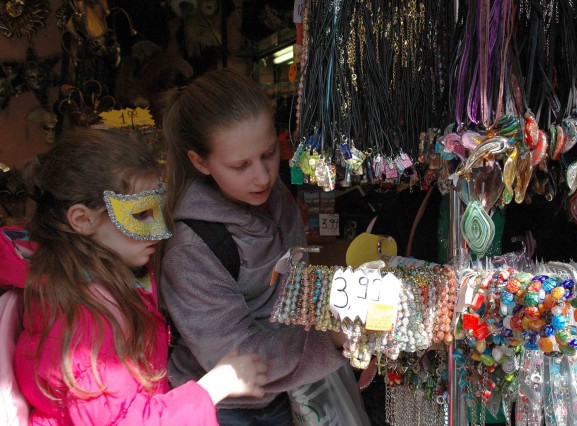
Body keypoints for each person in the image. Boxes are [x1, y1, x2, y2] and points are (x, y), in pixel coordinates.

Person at [11, 129, 268, 425]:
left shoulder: (104, 281)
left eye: (159, 211)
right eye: (141, 214)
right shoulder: (84, 321)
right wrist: (214, 387)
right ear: (82, 220)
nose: (160, 230)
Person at [161, 69, 350, 425]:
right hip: (224, 409)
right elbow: (238, 358)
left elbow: (297, 285)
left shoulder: (275, 197)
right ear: (200, 162)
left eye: (268, 154)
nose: (262, 176)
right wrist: (332, 341)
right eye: (240, 165)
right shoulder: (190, 251)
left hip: (285, 391)